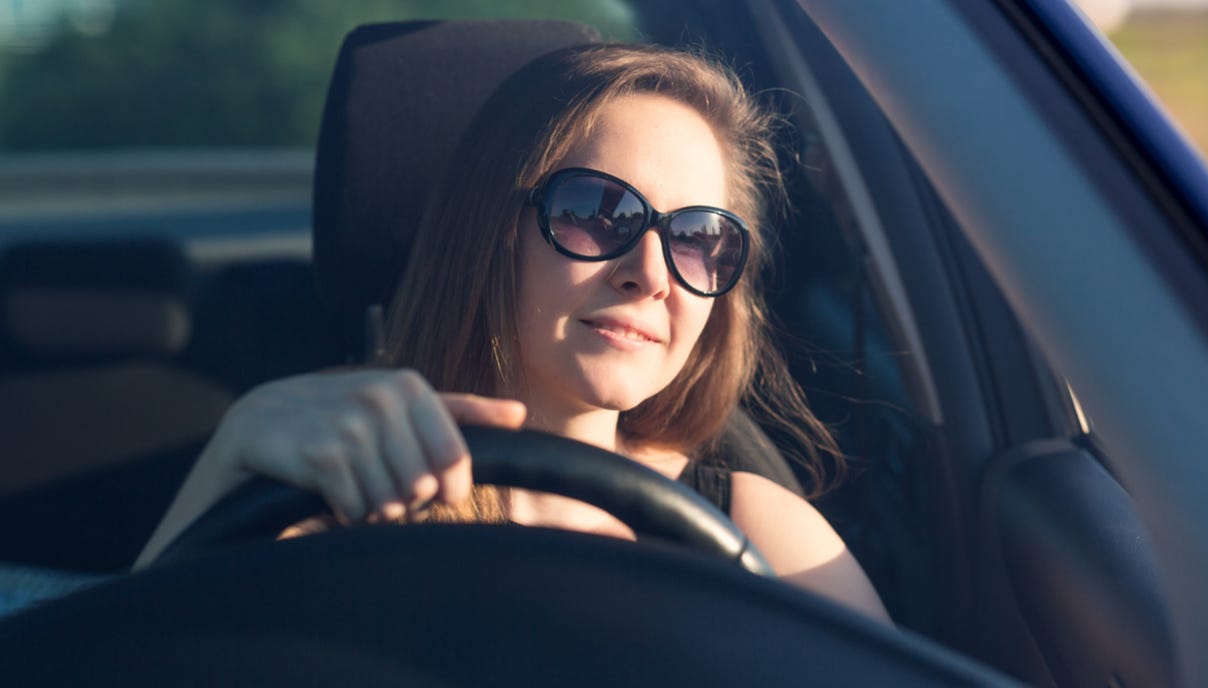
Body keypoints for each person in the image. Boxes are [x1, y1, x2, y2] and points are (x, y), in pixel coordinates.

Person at [135, 43, 891, 624]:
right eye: (599, 213)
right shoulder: (329, 510)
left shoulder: (758, 528)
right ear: (493, 230)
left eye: (698, 237)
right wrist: (229, 465)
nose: (653, 273)